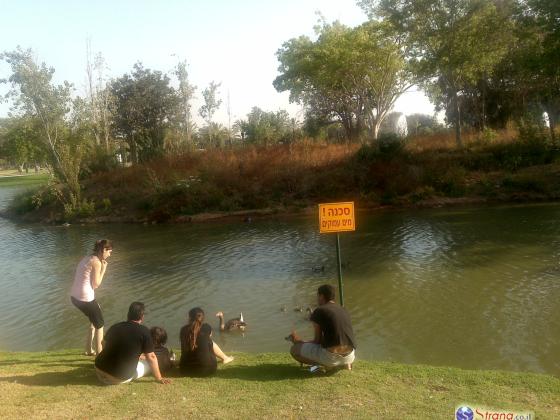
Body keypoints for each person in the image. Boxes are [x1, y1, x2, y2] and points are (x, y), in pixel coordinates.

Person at [94, 302, 171, 385]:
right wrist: (159, 378)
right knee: (149, 364)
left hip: (99, 369)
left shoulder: (115, 326)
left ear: (128, 314)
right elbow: (151, 357)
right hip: (117, 378)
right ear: (142, 316)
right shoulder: (144, 331)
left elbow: (103, 343)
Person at [288, 284, 356, 370]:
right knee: (332, 347)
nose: (317, 299)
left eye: (317, 296)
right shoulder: (343, 309)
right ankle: (345, 364)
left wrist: (301, 342)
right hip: (350, 356)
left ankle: (321, 367)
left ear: (321, 296)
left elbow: (317, 341)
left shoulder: (319, 310)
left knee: (294, 349)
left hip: (331, 358)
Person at [70, 239, 112, 356]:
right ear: (103, 250)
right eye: (109, 252)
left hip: (74, 297)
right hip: (85, 298)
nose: (110, 255)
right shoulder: (96, 262)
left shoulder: (87, 257)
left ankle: (88, 350)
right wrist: (104, 270)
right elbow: (96, 284)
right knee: (100, 325)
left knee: (94, 319)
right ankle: (100, 355)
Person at [179, 307, 234, 377]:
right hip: (207, 370)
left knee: (201, 341)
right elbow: (208, 341)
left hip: (185, 370)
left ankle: (225, 358)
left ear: (189, 318)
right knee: (209, 341)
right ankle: (225, 358)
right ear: (203, 318)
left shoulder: (183, 330)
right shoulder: (206, 327)